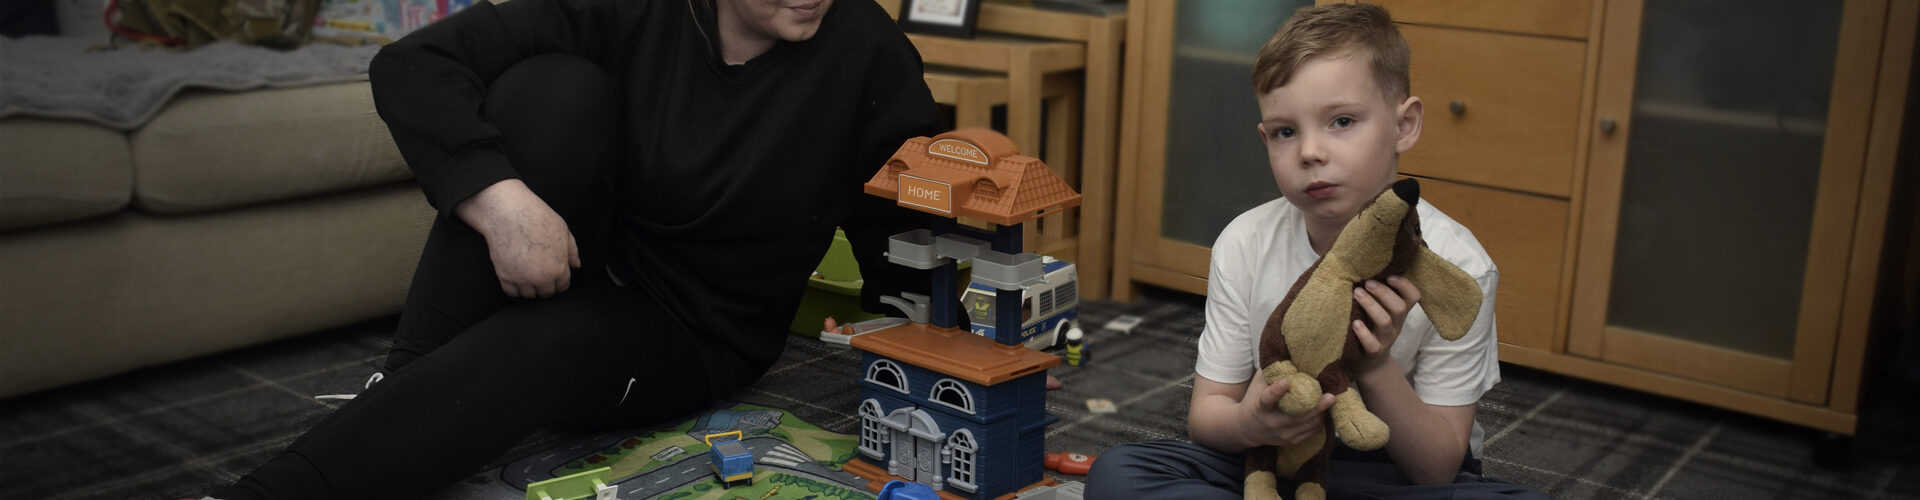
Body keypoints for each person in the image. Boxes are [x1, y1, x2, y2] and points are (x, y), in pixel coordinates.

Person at [204, 0, 947, 498]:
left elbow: (901, 229)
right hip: (580, 251)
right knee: (548, 87)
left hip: (692, 330)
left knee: (543, 347)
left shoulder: (869, 55)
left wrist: (956, 357)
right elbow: (412, 65)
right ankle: (406, 385)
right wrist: (502, 203)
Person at [1085, 4, 1546, 499]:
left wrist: (1374, 365)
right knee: (1117, 473)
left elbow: (1435, 467)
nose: (1309, 152)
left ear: (1404, 125)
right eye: (1285, 132)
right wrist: (1250, 422)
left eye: (1342, 121)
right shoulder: (1244, 242)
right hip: (1272, 461)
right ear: (1265, 139)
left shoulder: (1459, 267)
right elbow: (1207, 417)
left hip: (1388, 473)